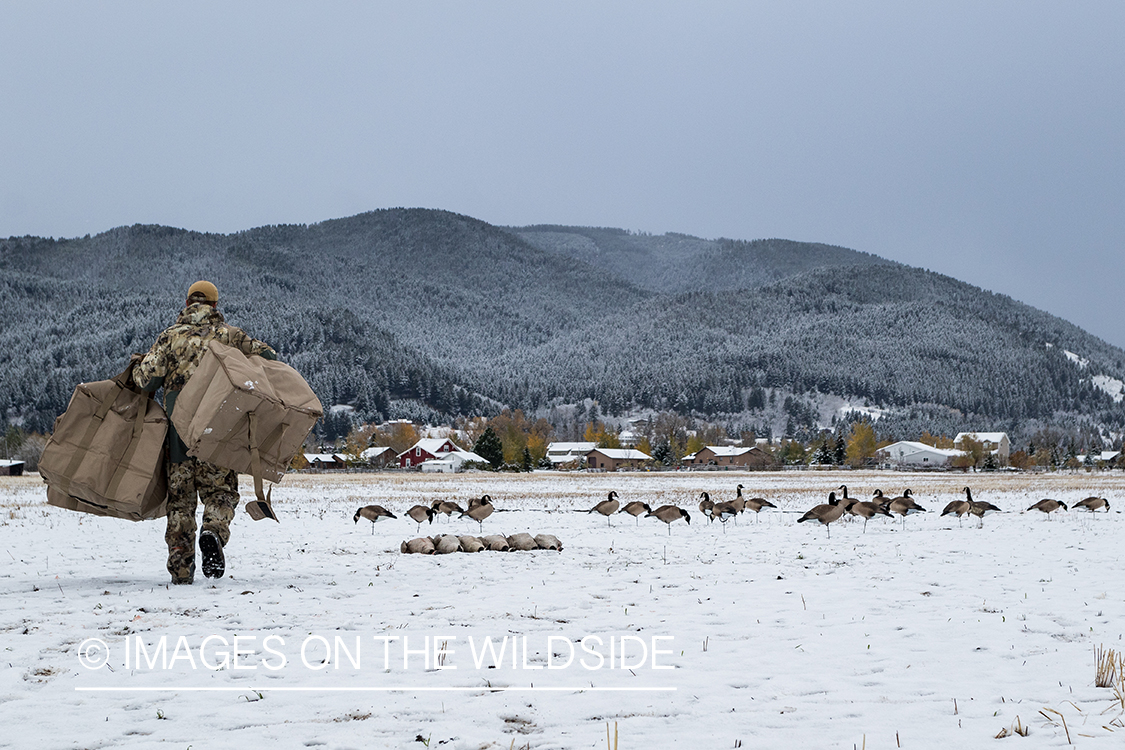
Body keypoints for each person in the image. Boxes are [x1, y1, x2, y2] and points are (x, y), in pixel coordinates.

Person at [133, 281, 277, 585]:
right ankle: (214, 530)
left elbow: (144, 380)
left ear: (187, 304)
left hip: (178, 436)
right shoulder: (229, 335)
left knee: (180, 502)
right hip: (218, 432)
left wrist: (140, 364)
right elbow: (269, 359)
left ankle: (181, 568)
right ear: (214, 305)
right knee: (221, 492)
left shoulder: (170, 338)